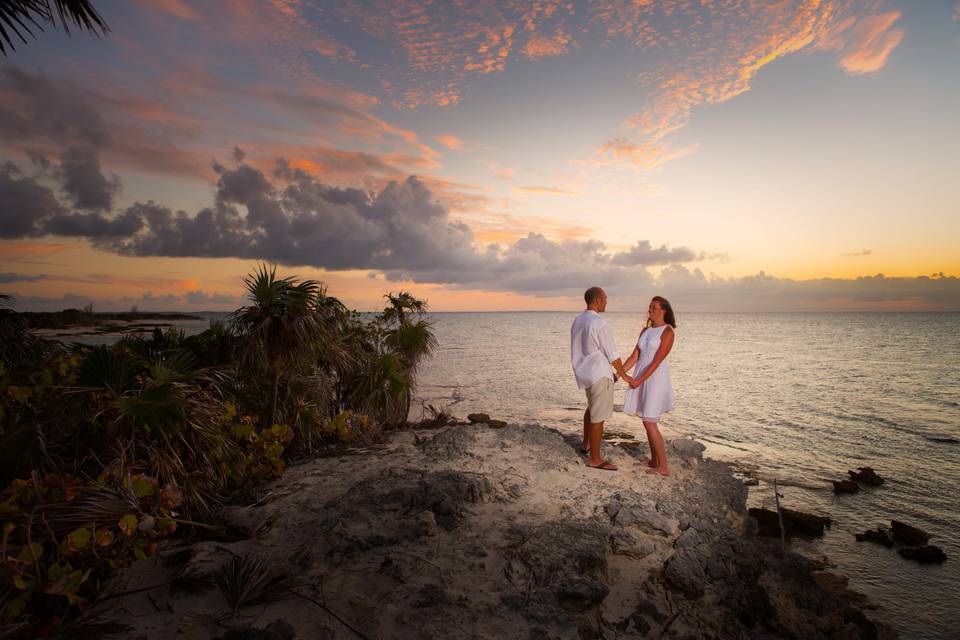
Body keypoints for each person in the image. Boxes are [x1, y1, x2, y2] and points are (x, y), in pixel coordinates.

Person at [571, 287, 634, 471]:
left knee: (591, 409)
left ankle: (586, 444)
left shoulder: (578, 320)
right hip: (599, 373)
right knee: (598, 416)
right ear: (597, 300)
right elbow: (612, 353)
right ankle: (595, 459)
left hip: (586, 373)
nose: (607, 302)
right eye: (605, 299)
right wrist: (623, 375)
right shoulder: (599, 323)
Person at [622, 296, 676, 476]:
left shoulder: (667, 331)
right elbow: (634, 357)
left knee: (649, 421)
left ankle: (664, 467)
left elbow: (657, 361)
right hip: (642, 376)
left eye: (654, 307)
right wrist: (618, 374)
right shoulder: (645, 331)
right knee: (647, 420)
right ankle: (653, 461)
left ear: (664, 310)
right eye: (650, 307)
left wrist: (639, 380)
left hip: (655, 378)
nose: (651, 310)